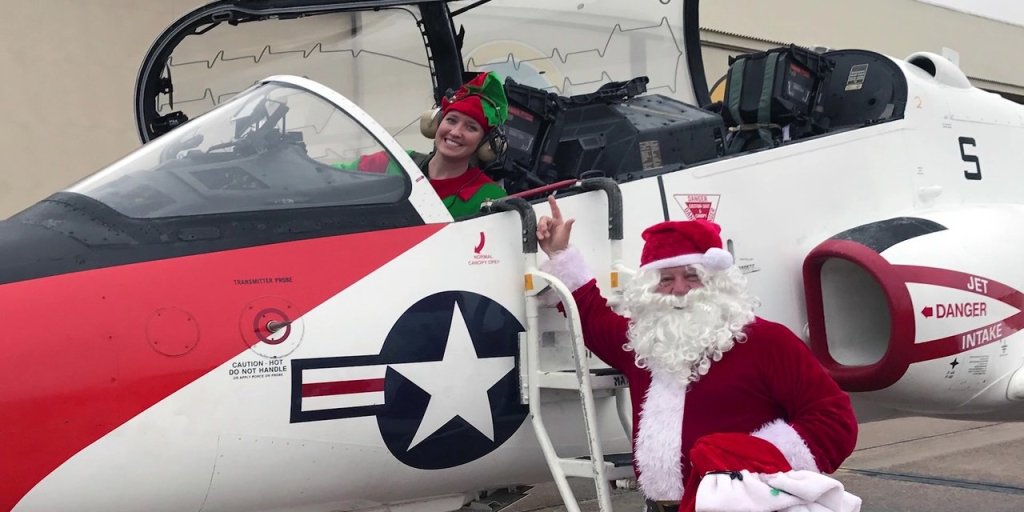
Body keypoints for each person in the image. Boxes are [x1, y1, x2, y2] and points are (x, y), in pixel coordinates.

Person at [535, 196, 858, 510]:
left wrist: (747, 461)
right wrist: (560, 254)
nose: (679, 289)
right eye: (666, 279)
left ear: (718, 281)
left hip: (748, 504)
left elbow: (833, 422)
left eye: (692, 276)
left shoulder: (767, 341)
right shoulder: (644, 342)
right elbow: (591, 317)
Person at [334, 71, 508, 219]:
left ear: (486, 143)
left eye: (471, 127)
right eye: (451, 120)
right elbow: (332, 177)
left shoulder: (489, 197)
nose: (455, 132)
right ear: (436, 123)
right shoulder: (395, 162)